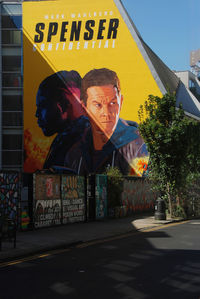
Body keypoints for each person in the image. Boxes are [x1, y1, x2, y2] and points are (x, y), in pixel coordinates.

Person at [64, 68, 148, 175]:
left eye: (112, 103)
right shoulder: (74, 154)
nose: (106, 112)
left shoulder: (138, 147)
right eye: (98, 105)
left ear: (121, 102)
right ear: (84, 108)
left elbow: (142, 188)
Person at [35, 70, 89, 169]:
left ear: (63, 104)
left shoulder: (79, 141)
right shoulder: (67, 138)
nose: (36, 114)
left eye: (42, 106)